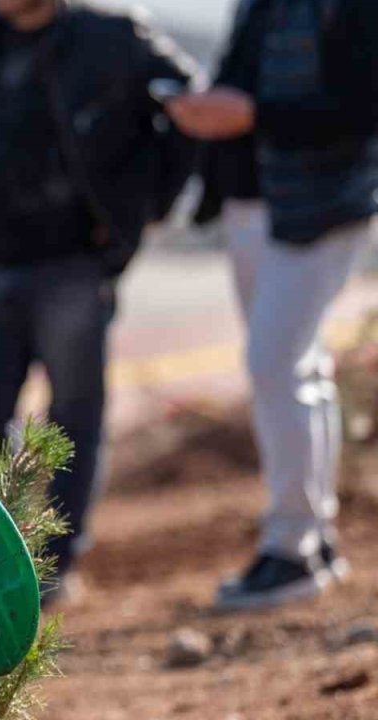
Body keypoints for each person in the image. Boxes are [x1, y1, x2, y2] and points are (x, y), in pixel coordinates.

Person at [0, 0, 197, 601]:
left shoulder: (113, 36)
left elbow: (188, 106)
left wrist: (145, 209)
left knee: (73, 421)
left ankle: (55, 567)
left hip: (71, 262)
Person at [167, 0, 377, 611]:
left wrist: (252, 114)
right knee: (297, 369)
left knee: (273, 363)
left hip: (320, 208)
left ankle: (291, 549)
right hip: (253, 206)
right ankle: (313, 540)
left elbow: (360, 108)